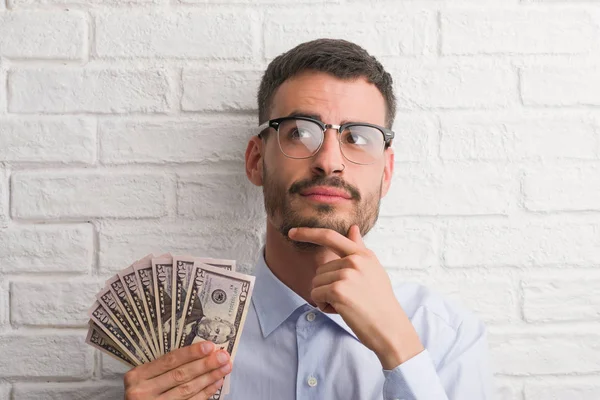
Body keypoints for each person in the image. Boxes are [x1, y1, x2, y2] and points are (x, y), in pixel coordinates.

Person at [123, 38, 494, 400]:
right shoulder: (177, 339)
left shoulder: (450, 337)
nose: (329, 160)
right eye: (301, 131)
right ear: (256, 160)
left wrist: (399, 349)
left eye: (358, 138)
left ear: (386, 173)